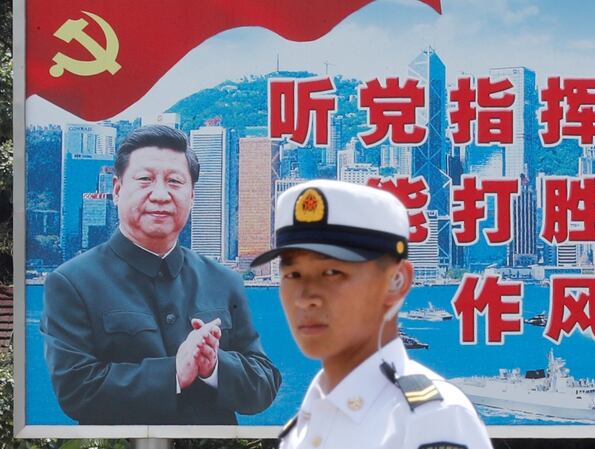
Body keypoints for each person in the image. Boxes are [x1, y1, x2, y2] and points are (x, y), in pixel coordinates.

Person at [41, 125, 281, 425]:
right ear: (117, 190)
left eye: (174, 182)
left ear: (192, 196)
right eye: (145, 180)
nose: (160, 195)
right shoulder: (72, 283)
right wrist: (175, 372)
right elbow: (77, 391)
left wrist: (214, 366)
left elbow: (264, 382)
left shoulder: (223, 280)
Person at [251, 180, 492, 449]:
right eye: (293, 274)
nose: (305, 298)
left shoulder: (429, 420)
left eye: (332, 273)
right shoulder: (303, 425)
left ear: (397, 281)